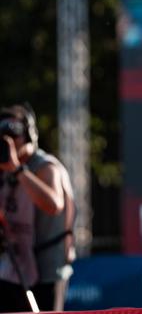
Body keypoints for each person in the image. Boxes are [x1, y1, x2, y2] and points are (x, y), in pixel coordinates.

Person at [0, 104, 75, 312]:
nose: (9, 143)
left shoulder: (46, 167)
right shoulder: (2, 170)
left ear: (29, 135)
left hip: (46, 269)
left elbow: (53, 205)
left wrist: (17, 169)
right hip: (12, 267)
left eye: (13, 135)